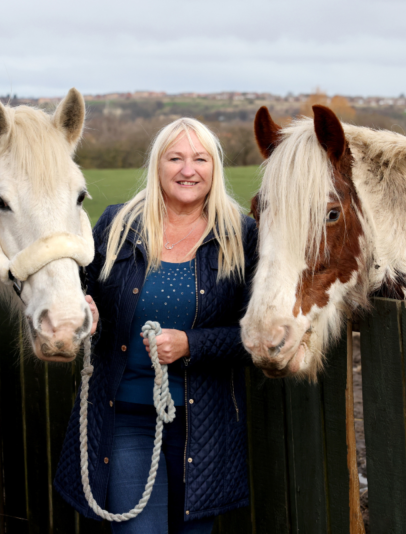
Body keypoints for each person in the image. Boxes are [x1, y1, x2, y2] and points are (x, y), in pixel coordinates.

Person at [54, 118, 258, 534]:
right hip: (126, 417)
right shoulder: (117, 225)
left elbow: (257, 338)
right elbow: (78, 290)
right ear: (157, 165)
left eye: (200, 159)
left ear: (214, 168)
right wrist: (83, 311)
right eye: (176, 158)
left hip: (204, 426)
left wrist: (192, 345)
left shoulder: (240, 234)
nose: (188, 170)